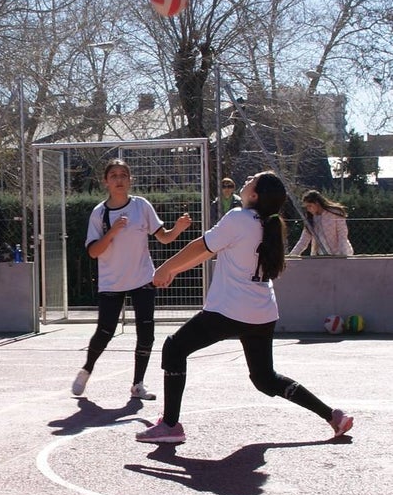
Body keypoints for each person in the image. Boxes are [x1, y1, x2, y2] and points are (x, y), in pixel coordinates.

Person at [137, 171, 354, 443]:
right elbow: (208, 251)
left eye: (253, 179)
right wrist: (172, 271)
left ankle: (170, 426)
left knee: (174, 347)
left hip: (229, 310)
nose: (248, 178)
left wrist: (166, 267)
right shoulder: (268, 223)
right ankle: (333, 416)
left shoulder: (239, 217)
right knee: (265, 380)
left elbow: (200, 246)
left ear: (254, 195)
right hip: (262, 313)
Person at [72, 158, 192, 401]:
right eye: (114, 175)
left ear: (130, 180)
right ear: (106, 181)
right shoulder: (100, 213)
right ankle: (87, 369)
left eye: (123, 175)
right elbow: (94, 252)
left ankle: (138, 384)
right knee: (105, 331)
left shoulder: (141, 206)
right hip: (111, 282)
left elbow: (164, 238)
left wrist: (179, 228)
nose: (119, 179)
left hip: (142, 278)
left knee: (146, 333)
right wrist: (113, 231)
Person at [289, 189, 353, 257]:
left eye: (309, 206)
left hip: (337, 254)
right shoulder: (310, 218)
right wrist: (292, 255)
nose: (308, 209)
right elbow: (304, 240)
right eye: (306, 207)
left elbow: (342, 235)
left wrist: (343, 254)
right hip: (319, 255)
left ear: (317, 203)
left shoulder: (335, 213)